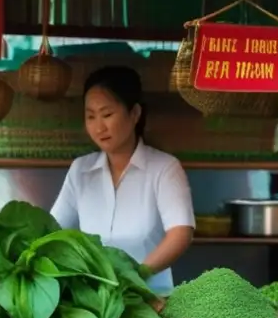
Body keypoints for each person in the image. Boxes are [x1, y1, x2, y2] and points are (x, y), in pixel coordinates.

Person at [50, 65, 195, 293]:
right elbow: (52, 229)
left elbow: (180, 233)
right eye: (91, 116)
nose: (99, 127)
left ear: (135, 114)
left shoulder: (164, 168)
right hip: (95, 301)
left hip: (151, 300)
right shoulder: (80, 170)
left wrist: (136, 277)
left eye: (107, 115)